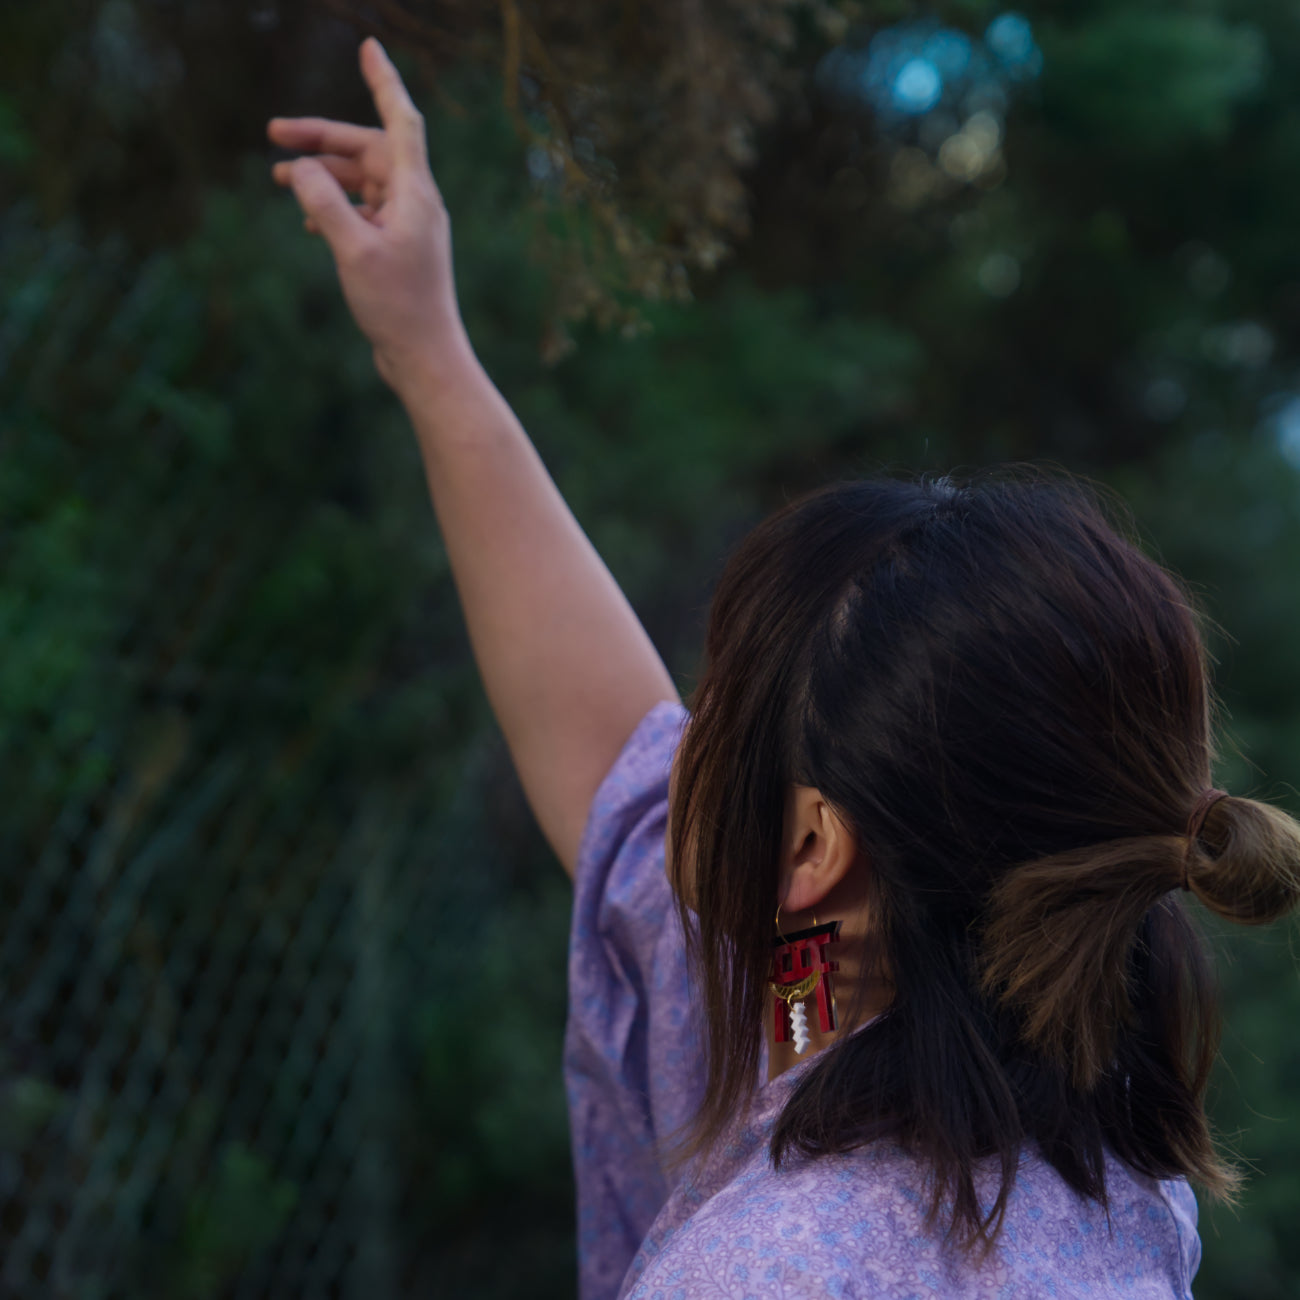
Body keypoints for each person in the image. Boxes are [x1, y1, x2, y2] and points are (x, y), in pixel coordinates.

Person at [268, 38, 1300, 1299]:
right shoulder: (1098, 1165)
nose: (673, 730)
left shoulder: (762, 1270)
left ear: (812, 849)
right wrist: (426, 346)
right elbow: (607, 757)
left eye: (716, 708)